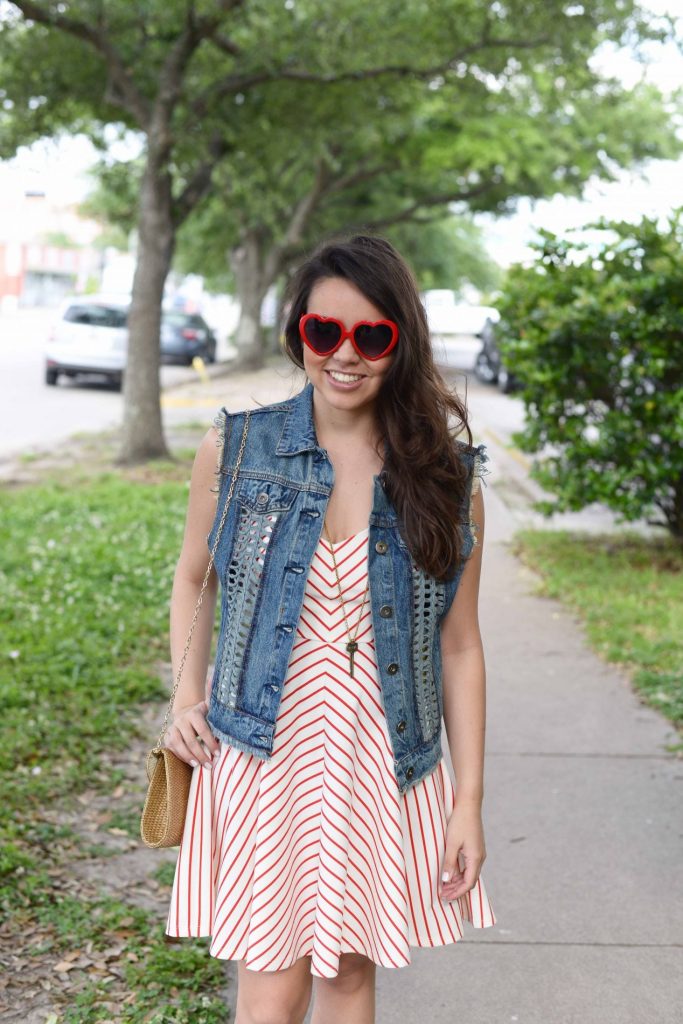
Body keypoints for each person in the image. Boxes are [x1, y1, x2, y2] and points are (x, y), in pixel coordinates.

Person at [163, 234, 496, 1024]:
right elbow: (191, 576)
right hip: (261, 749)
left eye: (370, 336)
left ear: (399, 343)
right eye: (324, 332)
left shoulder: (447, 479)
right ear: (298, 335)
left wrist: (467, 802)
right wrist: (184, 698)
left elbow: (460, 644)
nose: (344, 355)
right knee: (270, 983)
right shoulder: (237, 449)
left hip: (381, 754)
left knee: (348, 976)